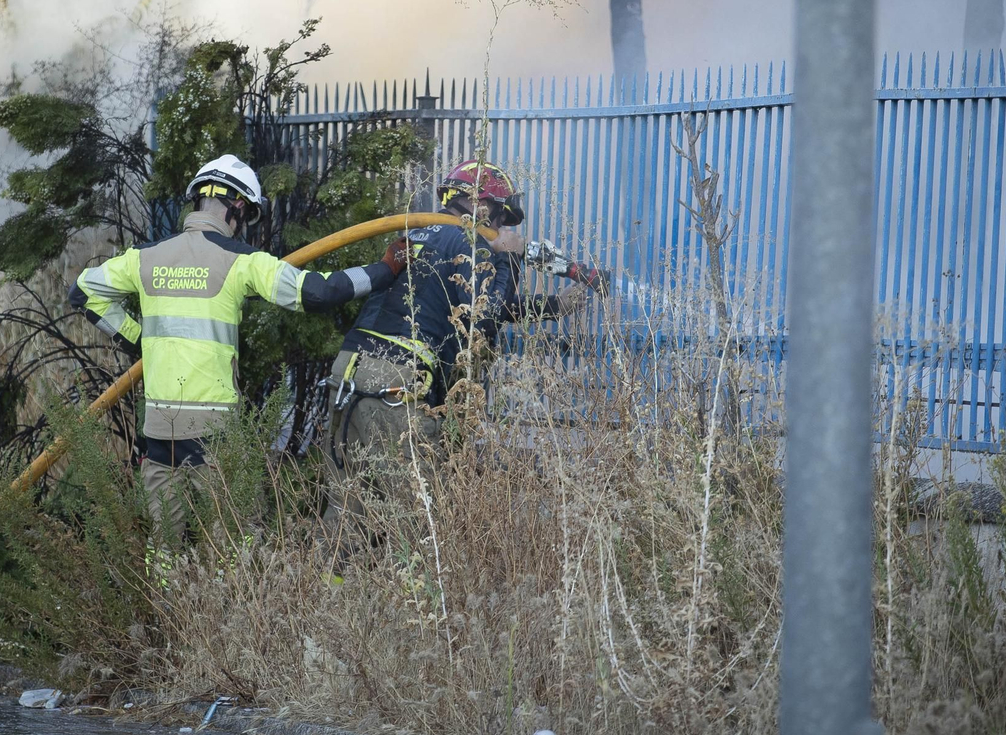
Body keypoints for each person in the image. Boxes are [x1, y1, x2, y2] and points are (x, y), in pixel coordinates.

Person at [70, 153, 407, 545]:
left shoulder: (145, 258)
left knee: (164, 549)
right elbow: (319, 291)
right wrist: (387, 269)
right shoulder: (241, 261)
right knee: (232, 548)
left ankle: (166, 606)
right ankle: (229, 605)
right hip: (214, 435)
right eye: (245, 219)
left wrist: (139, 338)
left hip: (159, 432)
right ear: (238, 208)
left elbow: (83, 292)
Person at [322, 159, 605, 511]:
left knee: (347, 512)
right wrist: (509, 259)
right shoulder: (470, 240)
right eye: (502, 217)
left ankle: (328, 567)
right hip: (396, 381)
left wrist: (554, 306)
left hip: (347, 372)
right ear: (481, 205)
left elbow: (461, 304)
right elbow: (481, 322)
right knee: (422, 517)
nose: (502, 226)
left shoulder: (417, 233)